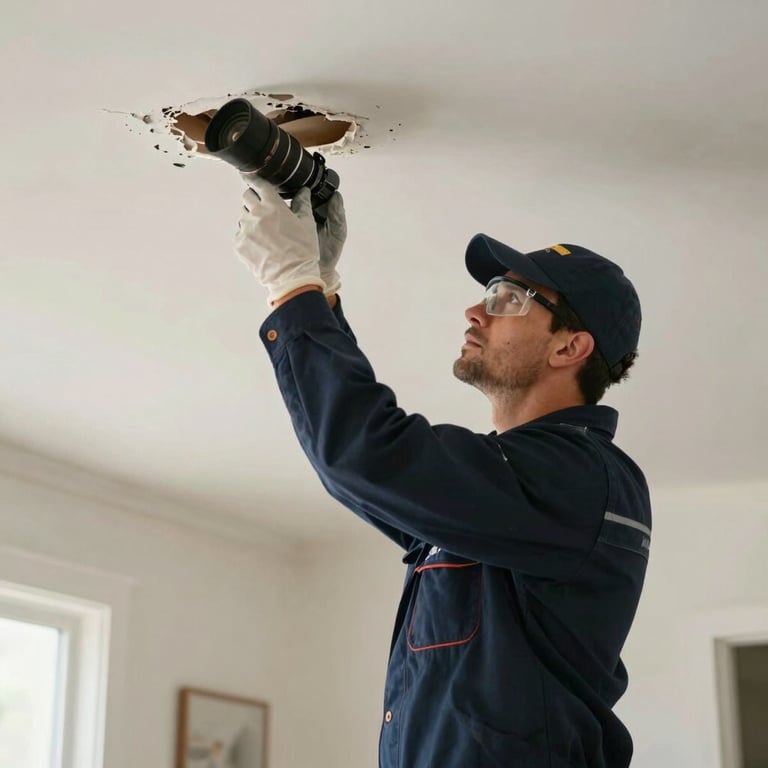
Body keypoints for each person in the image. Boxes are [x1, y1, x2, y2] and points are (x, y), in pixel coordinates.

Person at [233, 178, 651, 768]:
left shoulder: (579, 476)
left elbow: (370, 456)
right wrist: (320, 291)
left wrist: (291, 286)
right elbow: (377, 478)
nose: (476, 309)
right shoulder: (513, 490)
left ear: (569, 348)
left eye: (509, 298)